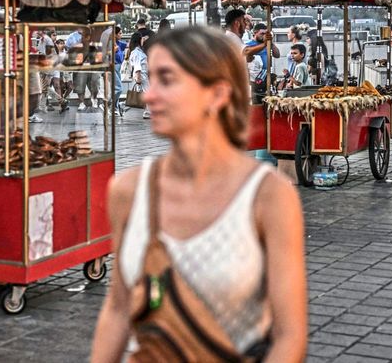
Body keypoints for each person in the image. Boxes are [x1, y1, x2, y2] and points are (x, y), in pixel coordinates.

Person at [91, 27, 307, 362]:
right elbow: (119, 308)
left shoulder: (268, 197)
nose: (149, 95)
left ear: (217, 93)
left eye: (167, 79)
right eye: (152, 78)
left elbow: (289, 335)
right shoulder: (127, 191)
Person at [128, 33, 151, 119]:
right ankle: (148, 112)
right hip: (141, 75)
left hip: (142, 74)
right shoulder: (137, 52)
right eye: (141, 39)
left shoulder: (136, 51)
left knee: (144, 93)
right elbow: (137, 66)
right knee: (146, 92)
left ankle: (148, 111)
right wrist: (138, 78)